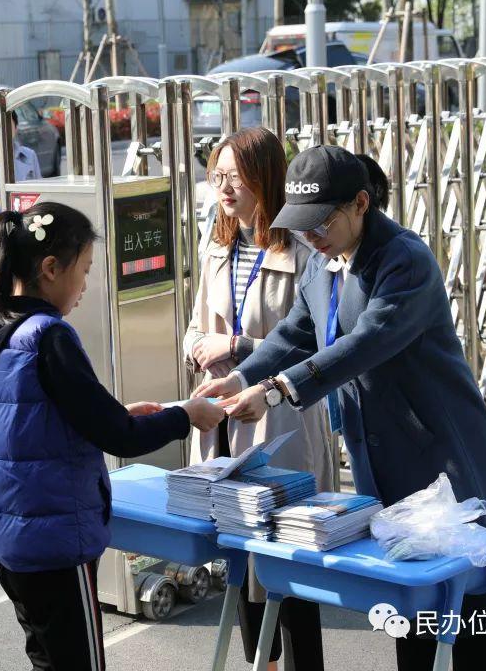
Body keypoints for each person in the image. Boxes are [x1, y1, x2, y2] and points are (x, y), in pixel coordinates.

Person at [194, 145, 486, 671]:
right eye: (301, 225)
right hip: (377, 453)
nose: (312, 236)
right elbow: (295, 332)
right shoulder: (323, 263)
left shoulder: (404, 260)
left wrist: (276, 389)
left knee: (465, 597)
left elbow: (363, 344)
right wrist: (238, 377)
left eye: (321, 222)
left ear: (361, 204)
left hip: (440, 449)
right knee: (405, 598)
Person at [0, 202, 225, 671]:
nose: (84, 286)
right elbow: (119, 437)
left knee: (47, 656)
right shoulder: (49, 337)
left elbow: (26, 424)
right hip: (56, 541)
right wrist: (186, 415)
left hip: (8, 536)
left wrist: (114, 413)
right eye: (83, 270)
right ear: (49, 269)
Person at [184, 128, 332, 671]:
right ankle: (260, 664)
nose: (224, 188)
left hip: (280, 414)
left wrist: (239, 347)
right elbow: (198, 317)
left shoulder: (300, 247)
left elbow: (315, 336)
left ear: (265, 178)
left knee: (287, 560)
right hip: (223, 413)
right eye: (217, 176)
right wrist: (195, 344)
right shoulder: (218, 242)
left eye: (235, 177)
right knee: (239, 561)